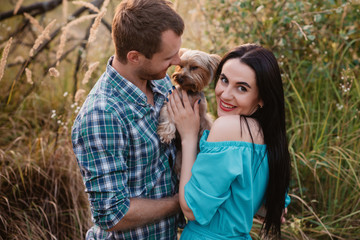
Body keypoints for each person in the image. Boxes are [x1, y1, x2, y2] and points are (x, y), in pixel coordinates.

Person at [71, 0, 185, 239]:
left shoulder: (160, 79)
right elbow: (113, 214)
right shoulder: (102, 115)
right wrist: (181, 202)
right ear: (134, 57)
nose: (177, 62)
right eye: (168, 57)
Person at [167, 43, 291, 239]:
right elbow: (270, 210)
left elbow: (191, 209)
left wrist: (189, 137)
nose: (225, 94)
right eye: (224, 80)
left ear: (262, 98)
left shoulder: (227, 127)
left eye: (242, 88)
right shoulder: (270, 135)